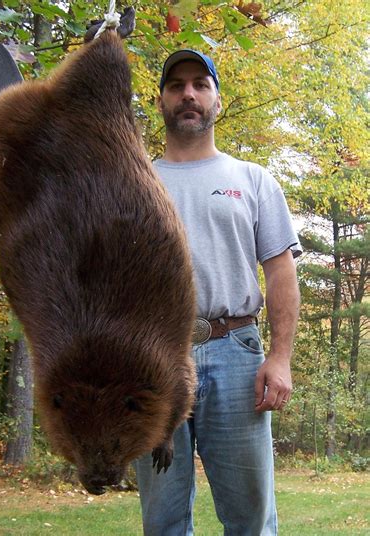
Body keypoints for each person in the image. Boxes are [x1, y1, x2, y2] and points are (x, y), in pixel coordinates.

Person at [134, 50, 301, 535]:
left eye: (200, 84)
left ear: (217, 101)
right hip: (153, 360)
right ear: (161, 101)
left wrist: (281, 356)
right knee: (162, 518)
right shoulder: (134, 180)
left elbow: (281, 273)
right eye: (176, 85)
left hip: (237, 354)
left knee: (251, 518)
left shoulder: (252, 180)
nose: (188, 94)